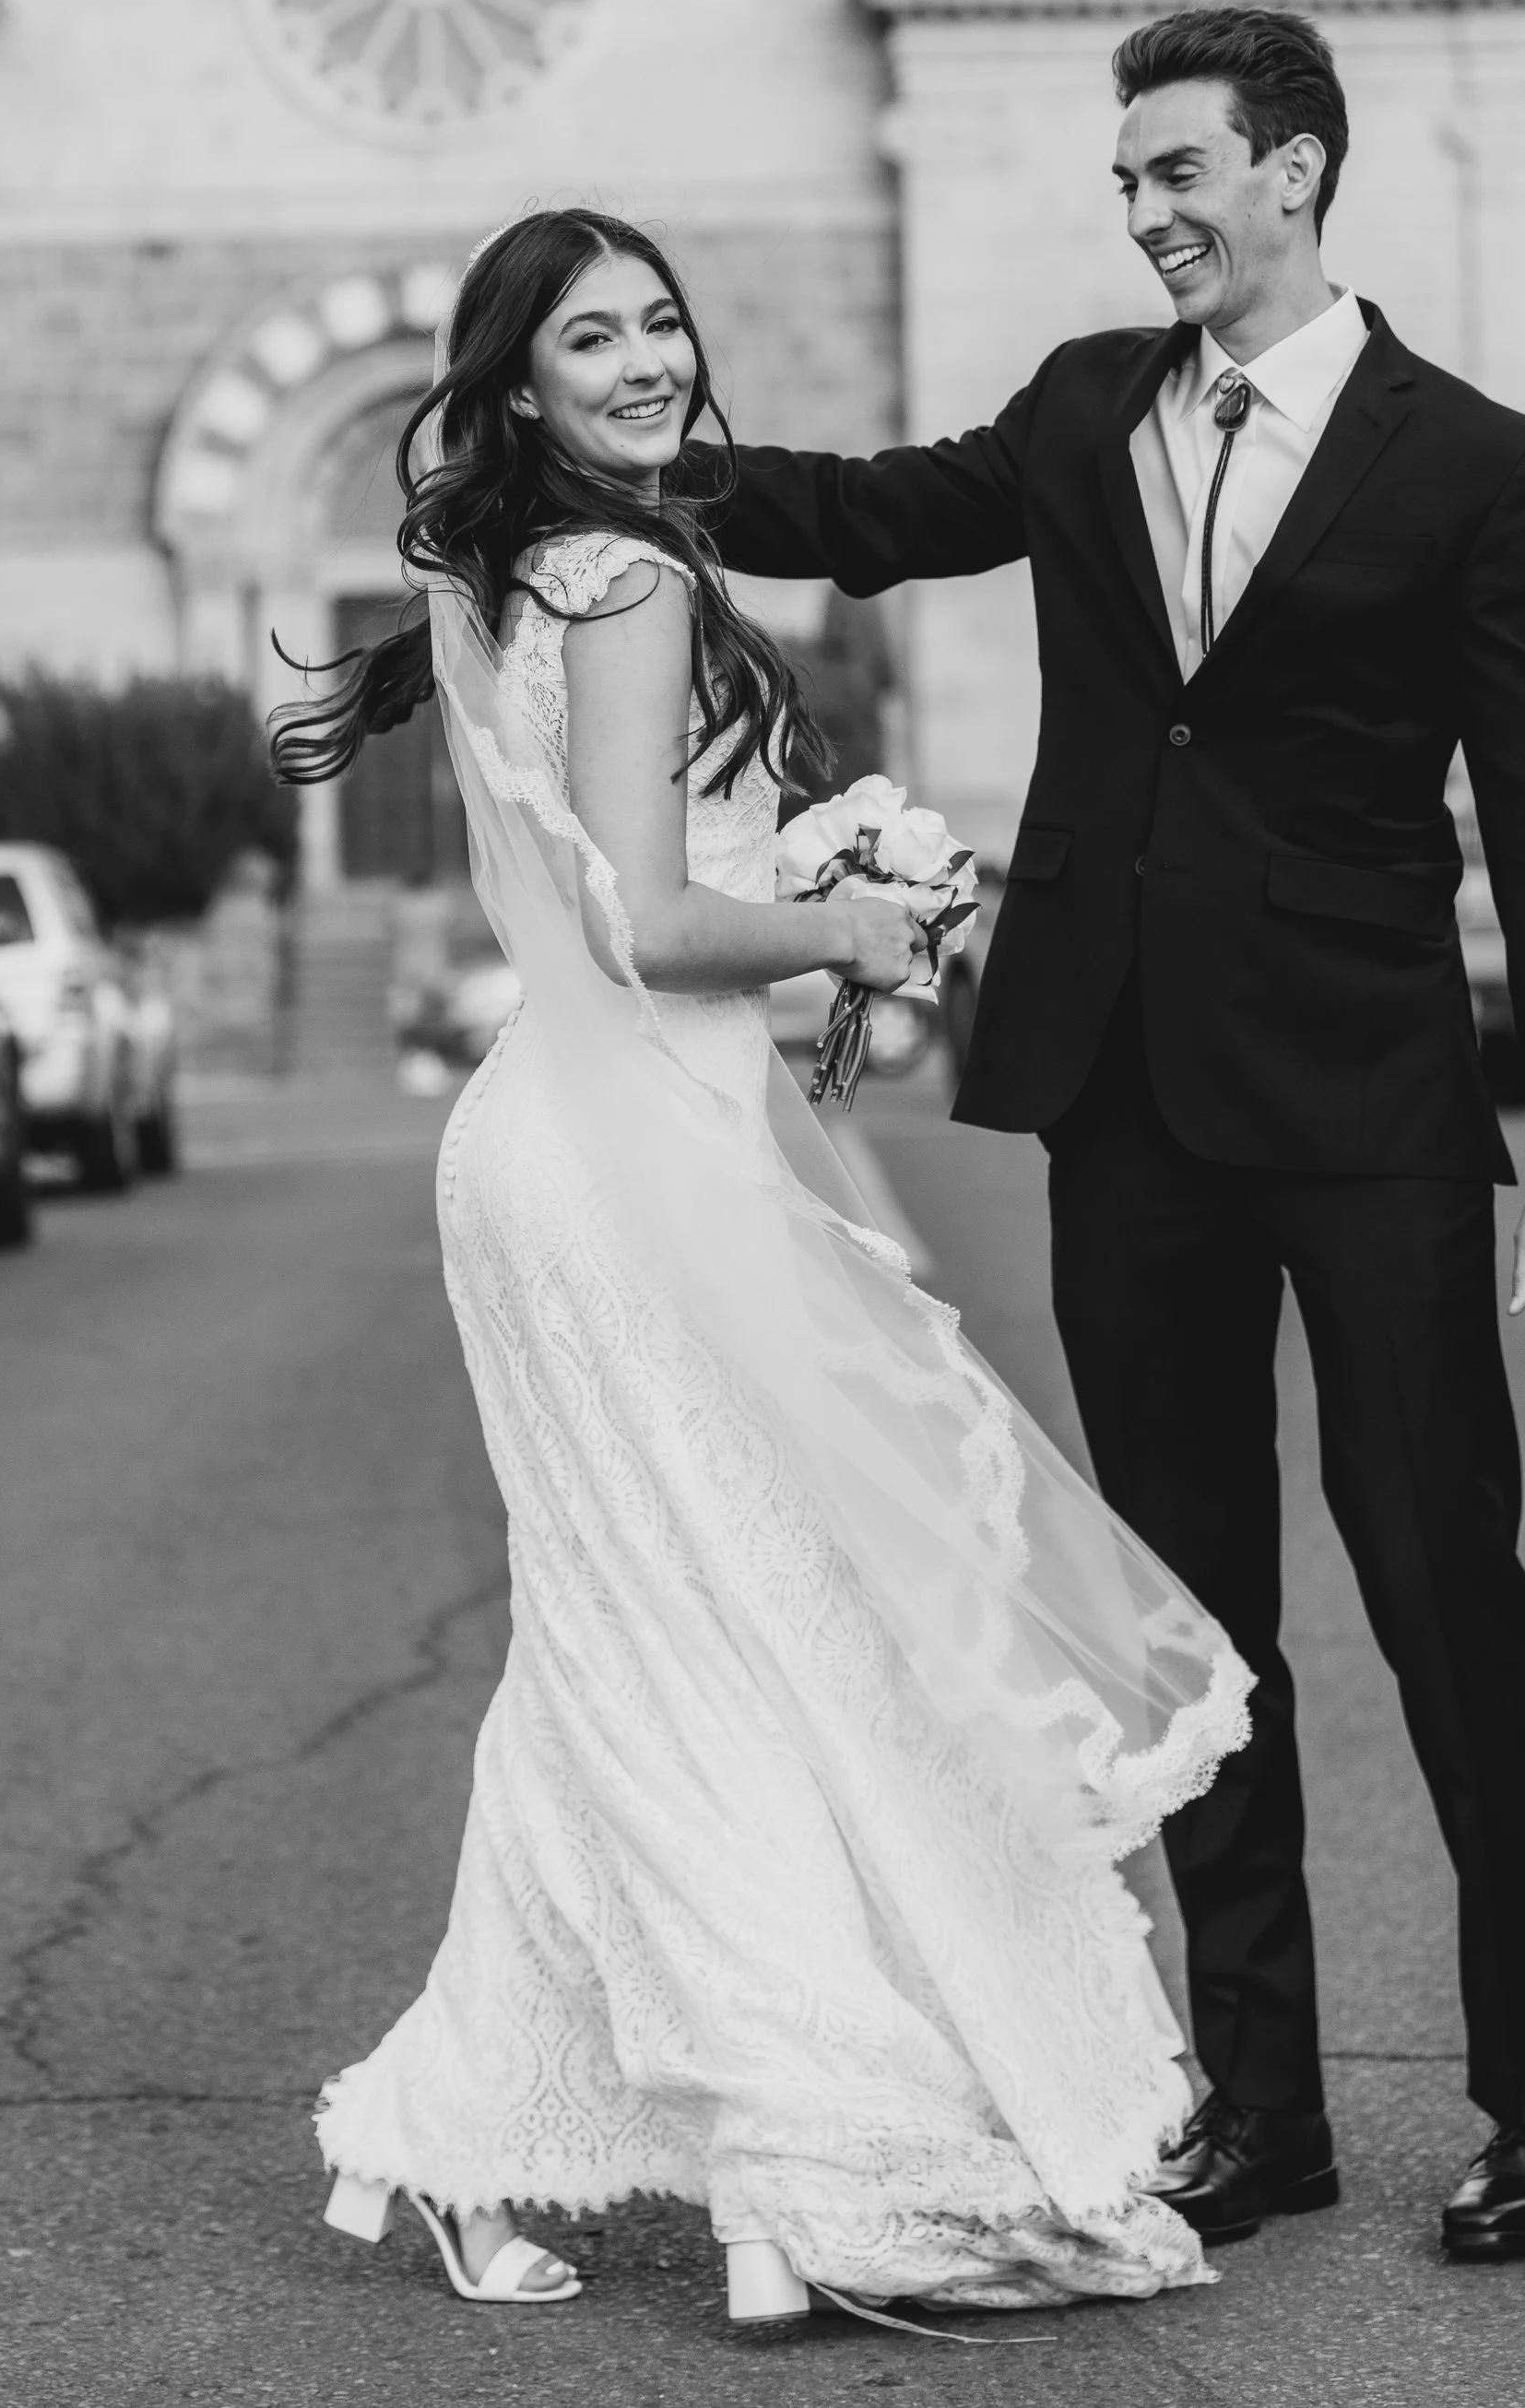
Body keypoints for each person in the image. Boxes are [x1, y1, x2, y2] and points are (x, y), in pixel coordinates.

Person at [705, 7, 1525, 2265]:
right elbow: (858, 516)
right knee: (1190, 1630)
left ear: (1295, 171)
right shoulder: (1075, 409)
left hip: (1366, 1108)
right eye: (1126, 183)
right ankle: (1261, 2102)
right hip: (1121, 1099)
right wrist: (615, 446)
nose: (1144, 216)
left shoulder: (1469, 464)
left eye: (1179, 173)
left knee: (1447, 1608)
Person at [273, 209, 1251, 2327]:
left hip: (583, 1133)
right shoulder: (618, 578)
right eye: (586, 339)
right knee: (724, 1625)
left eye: (656, 325)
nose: (638, 362)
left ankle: (472, 2127)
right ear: (515, 387)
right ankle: (798, 2141)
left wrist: (788, 903)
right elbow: (643, 919)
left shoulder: (535, 564)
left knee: (644, 1624)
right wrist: (851, 926)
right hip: (621, 1160)